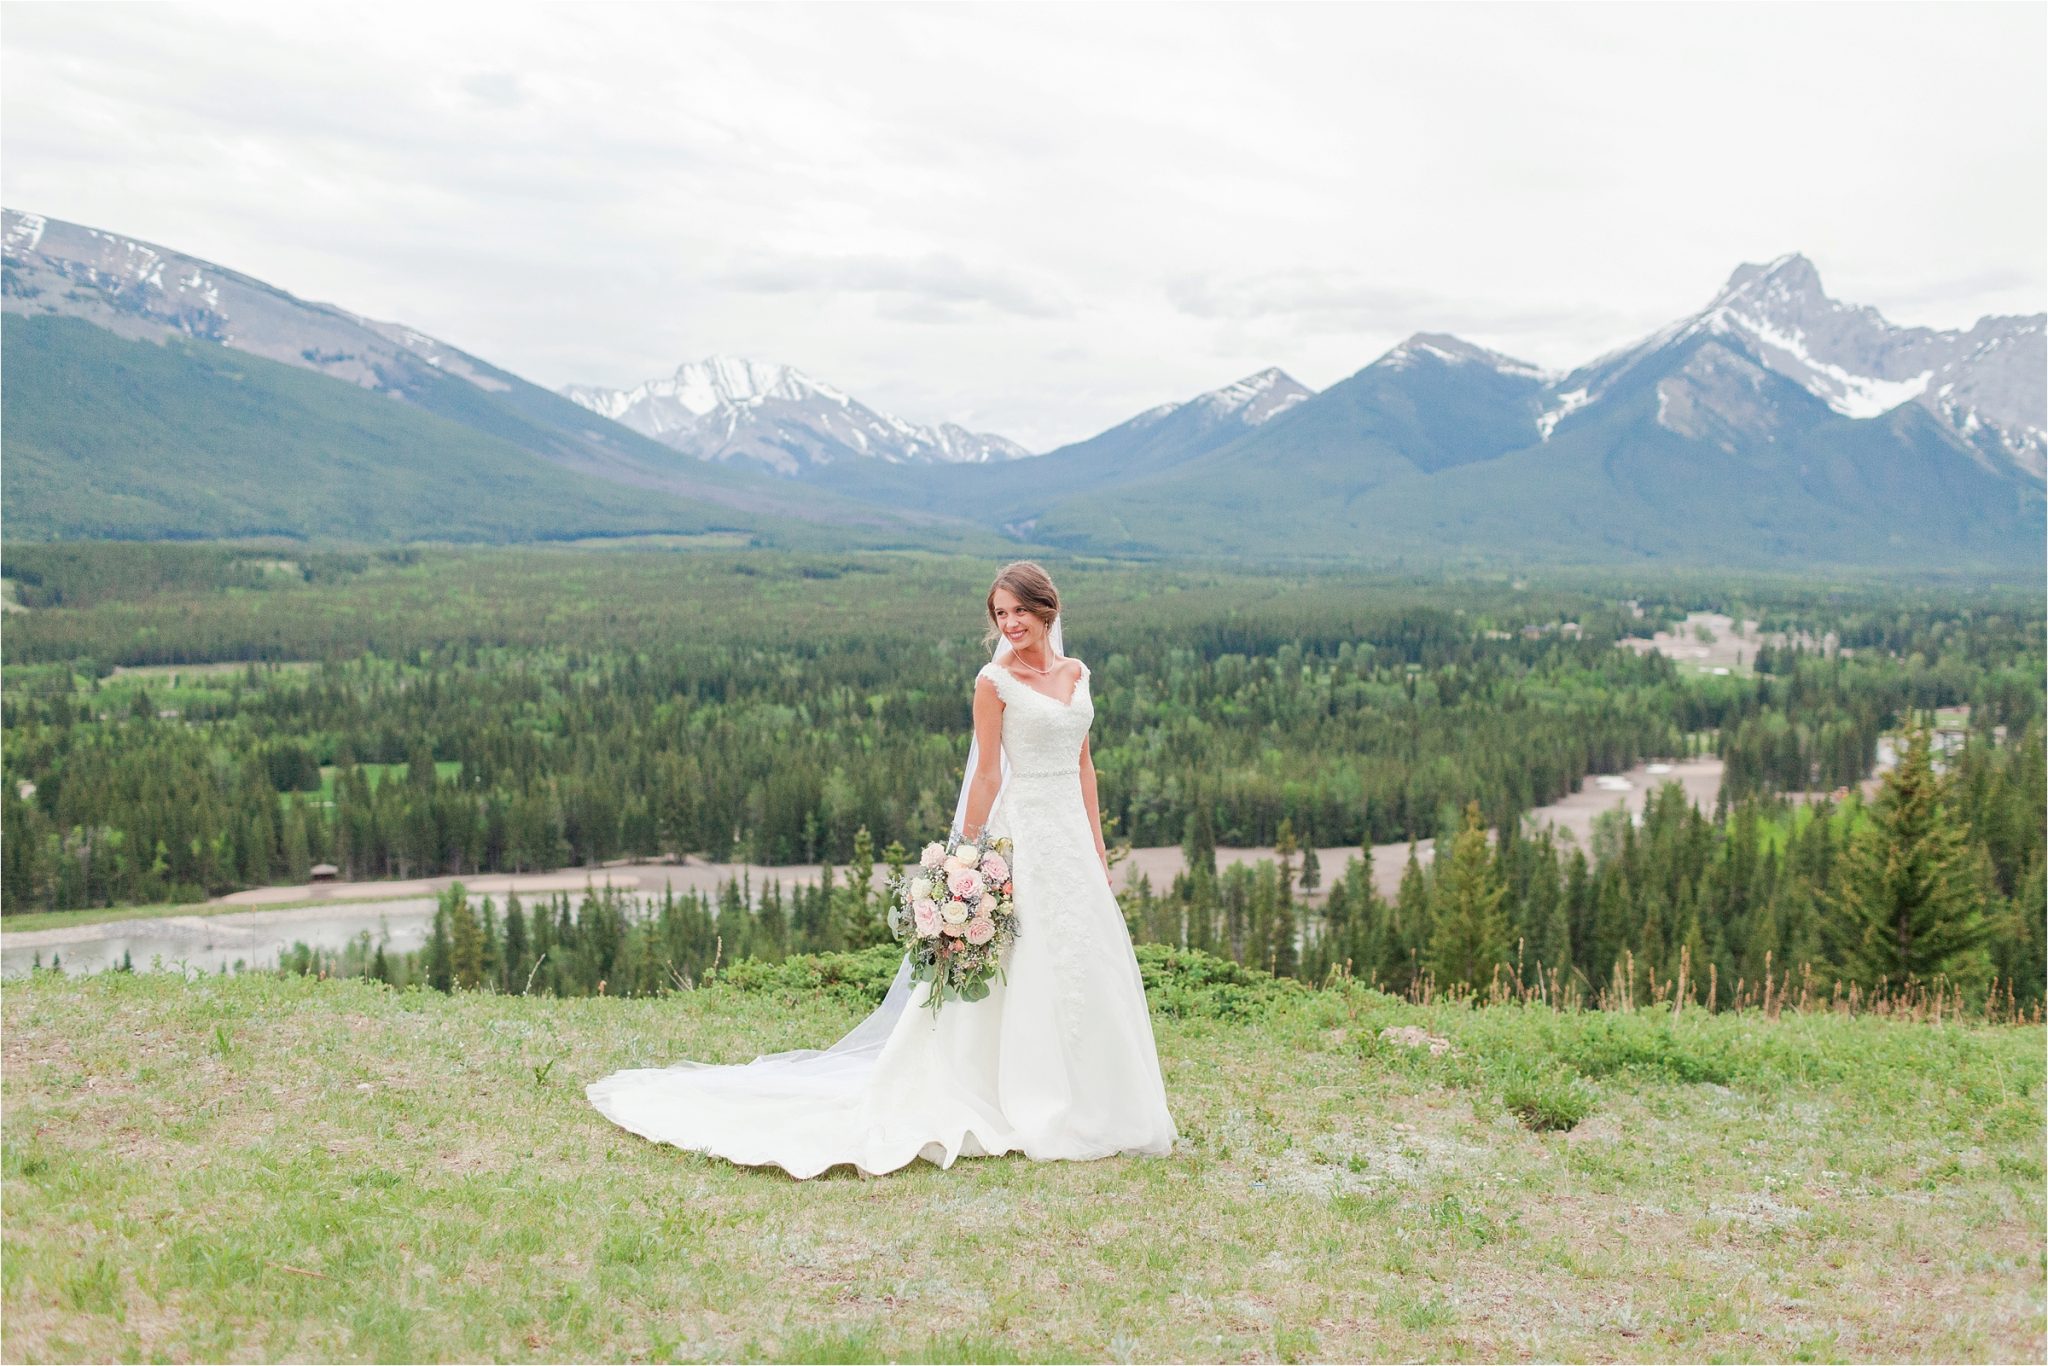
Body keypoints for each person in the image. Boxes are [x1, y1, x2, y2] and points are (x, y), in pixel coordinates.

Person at [584, 560, 1179, 1177]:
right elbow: (987, 775)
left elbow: (1084, 766)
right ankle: (1018, 1093)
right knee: (1021, 963)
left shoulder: (1078, 675)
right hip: (1021, 834)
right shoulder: (992, 681)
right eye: (1000, 614)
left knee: (1083, 956)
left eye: (1019, 611)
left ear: (1046, 609)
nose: (1010, 624)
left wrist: (1096, 842)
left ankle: (1097, 1095)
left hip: (1069, 842)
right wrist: (965, 857)